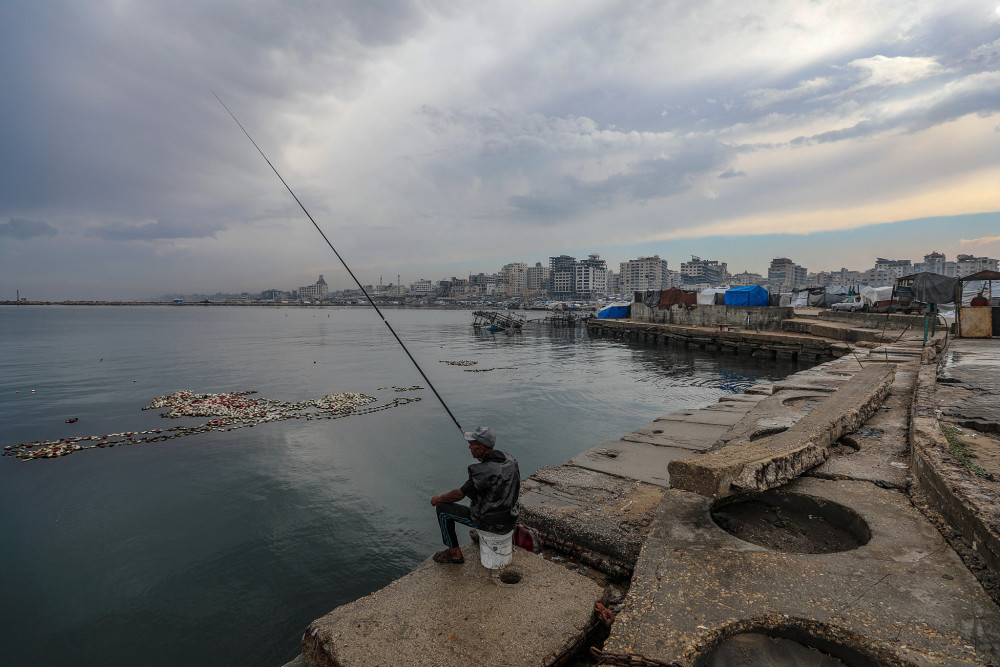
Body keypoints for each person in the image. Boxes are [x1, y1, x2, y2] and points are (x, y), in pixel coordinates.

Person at [430, 426, 520, 564]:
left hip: (492, 524)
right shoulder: (510, 460)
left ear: (481, 448)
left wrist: (438, 499)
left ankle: (454, 552)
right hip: (510, 518)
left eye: (472, 445)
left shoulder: (482, 471)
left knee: (442, 509)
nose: (469, 448)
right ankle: (486, 533)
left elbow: (459, 495)